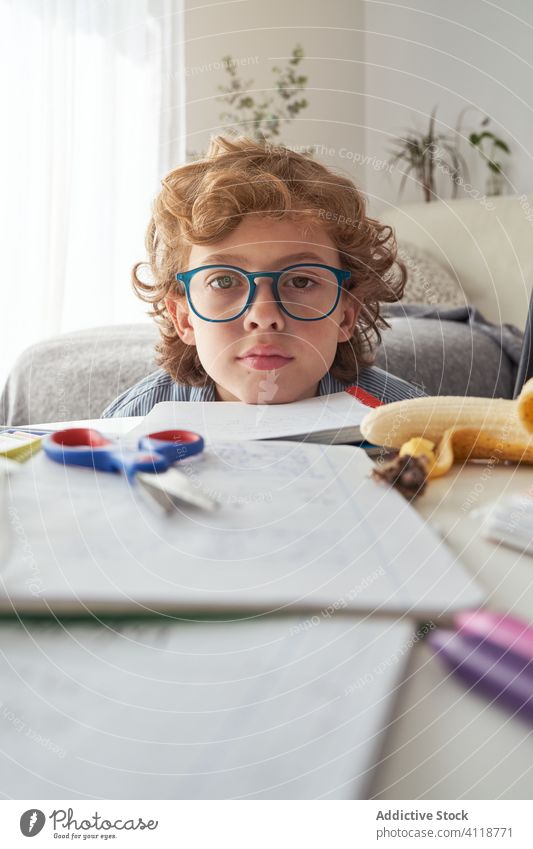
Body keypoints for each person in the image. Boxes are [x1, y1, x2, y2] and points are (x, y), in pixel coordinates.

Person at [102, 135, 424, 417]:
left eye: (301, 281)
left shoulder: (409, 422)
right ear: (184, 318)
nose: (265, 316)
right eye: (224, 281)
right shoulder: (132, 423)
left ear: (345, 316)